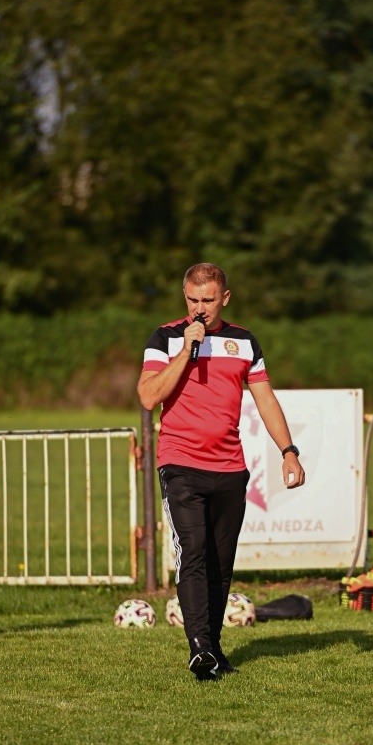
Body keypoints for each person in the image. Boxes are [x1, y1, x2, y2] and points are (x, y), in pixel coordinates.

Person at [138, 263, 305, 681]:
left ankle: (212, 648)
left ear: (224, 298)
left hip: (229, 467)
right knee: (192, 555)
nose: (200, 309)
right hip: (180, 464)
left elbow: (265, 400)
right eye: (192, 300)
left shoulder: (244, 342)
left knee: (220, 564)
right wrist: (184, 352)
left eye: (208, 300)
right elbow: (148, 395)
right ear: (184, 298)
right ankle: (199, 651)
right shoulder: (165, 337)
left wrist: (288, 451)